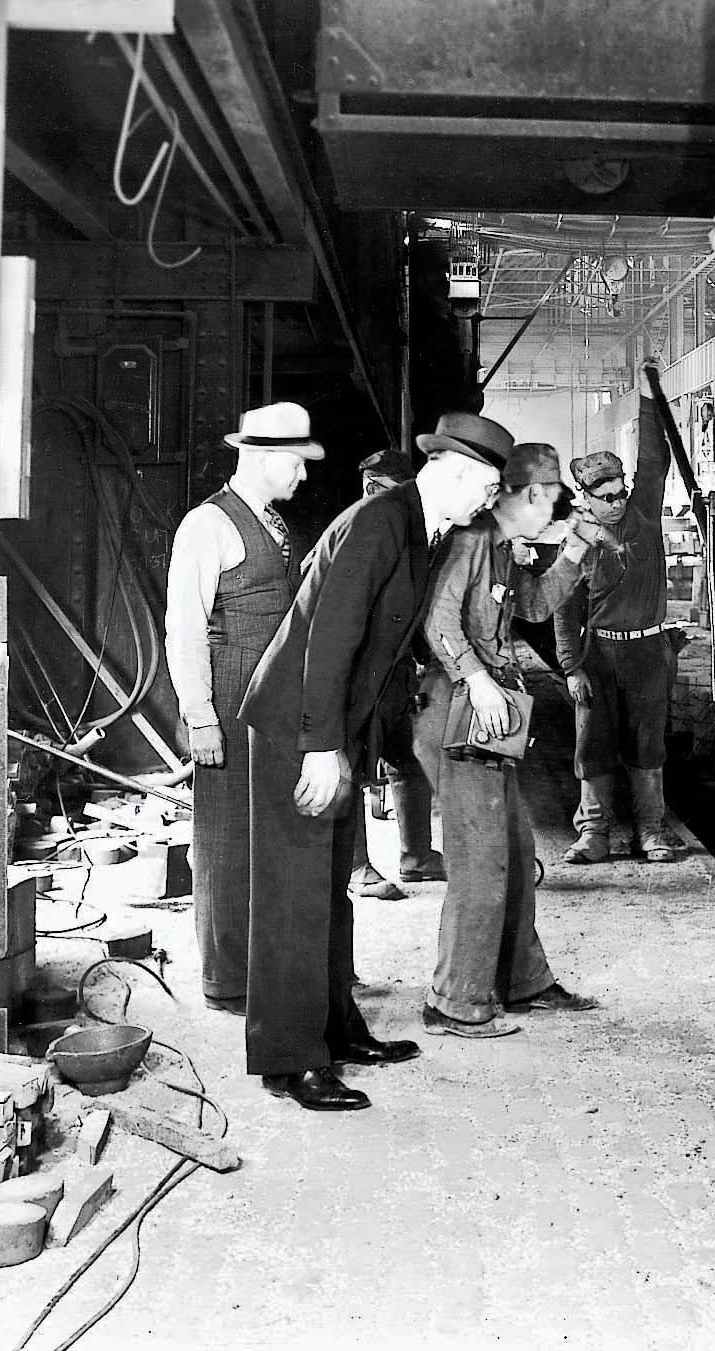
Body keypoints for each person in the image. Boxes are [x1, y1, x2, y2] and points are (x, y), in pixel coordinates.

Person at [237, 412, 507, 1112]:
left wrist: (364, 745)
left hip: (334, 726)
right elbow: (331, 637)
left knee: (328, 890)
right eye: (486, 483)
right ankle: (289, 1059)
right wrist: (321, 745)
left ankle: (335, 1031)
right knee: (294, 895)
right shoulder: (382, 522)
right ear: (449, 471)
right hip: (297, 727)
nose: (489, 498)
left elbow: (382, 652)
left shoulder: (421, 528)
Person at [414, 438, 607, 1037]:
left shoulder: (501, 549)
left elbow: (531, 604)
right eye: (551, 500)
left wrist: (572, 551)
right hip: (457, 708)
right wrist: (476, 679)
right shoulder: (471, 542)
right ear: (527, 495)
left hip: (485, 711)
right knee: (480, 861)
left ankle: (523, 981)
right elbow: (437, 622)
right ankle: (456, 1000)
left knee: (517, 853)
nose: (554, 510)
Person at [165, 402, 322, 1016]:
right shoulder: (207, 525)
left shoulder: (273, 523)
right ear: (259, 458)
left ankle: (262, 965)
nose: (303, 477)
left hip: (270, 701)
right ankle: (226, 980)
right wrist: (200, 715)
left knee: (265, 838)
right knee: (226, 839)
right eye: (295, 463)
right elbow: (184, 628)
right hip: (228, 700)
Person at [553, 388, 678, 865]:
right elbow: (564, 611)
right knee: (593, 743)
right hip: (599, 657)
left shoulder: (643, 516)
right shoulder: (579, 540)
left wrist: (650, 399)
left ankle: (650, 831)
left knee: (649, 743)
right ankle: (593, 835)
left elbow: (654, 461)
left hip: (647, 653)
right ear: (586, 497)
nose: (617, 503)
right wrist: (570, 667)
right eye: (605, 498)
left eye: (620, 493)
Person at [348, 447, 445, 902]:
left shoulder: (408, 534)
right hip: (359, 676)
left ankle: (417, 857)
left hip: (397, 673)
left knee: (408, 760)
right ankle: (355, 868)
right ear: (372, 488)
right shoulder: (355, 533)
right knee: (348, 767)